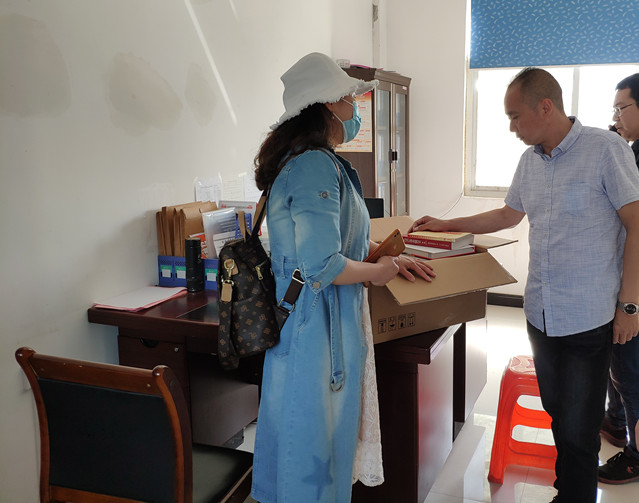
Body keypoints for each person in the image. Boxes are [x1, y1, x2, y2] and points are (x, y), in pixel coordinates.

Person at [408, 68, 639, 503]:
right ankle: (566, 491)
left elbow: (636, 223)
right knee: (559, 416)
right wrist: (447, 224)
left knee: (579, 430)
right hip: (540, 315)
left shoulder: (605, 150)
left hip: (588, 318)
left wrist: (629, 306)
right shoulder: (530, 161)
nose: (512, 127)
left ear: (545, 107)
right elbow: (507, 215)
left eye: (515, 116)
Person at [250, 52, 435, 503]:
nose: (355, 110)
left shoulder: (314, 161)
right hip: (315, 328)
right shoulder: (312, 165)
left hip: (320, 320)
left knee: (314, 439)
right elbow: (321, 264)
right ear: (327, 106)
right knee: (311, 443)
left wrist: (384, 254)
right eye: (349, 100)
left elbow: (340, 240)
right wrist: (378, 272)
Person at [597, 73, 639, 484]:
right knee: (619, 361)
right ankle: (615, 421)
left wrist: (630, 305)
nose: (615, 117)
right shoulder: (631, 151)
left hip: (635, 288)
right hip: (625, 282)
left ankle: (636, 456)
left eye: (621, 107)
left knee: (631, 370)